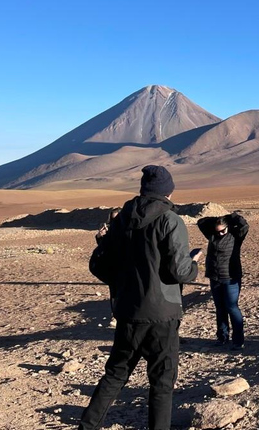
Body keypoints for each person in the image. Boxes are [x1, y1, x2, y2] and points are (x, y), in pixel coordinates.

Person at [80, 165, 202, 430]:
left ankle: (87, 426)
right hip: (162, 314)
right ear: (169, 190)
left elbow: (102, 266)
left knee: (114, 375)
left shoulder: (122, 219)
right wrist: (194, 265)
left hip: (128, 312)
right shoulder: (170, 220)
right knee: (161, 382)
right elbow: (178, 271)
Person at [197, 212, 249, 350]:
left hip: (230, 277)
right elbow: (201, 222)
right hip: (215, 277)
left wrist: (230, 217)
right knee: (220, 308)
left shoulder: (235, 236)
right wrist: (217, 220)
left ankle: (238, 340)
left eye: (223, 231)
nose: (220, 234)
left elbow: (244, 224)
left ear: (228, 227)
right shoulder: (212, 235)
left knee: (232, 307)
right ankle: (222, 337)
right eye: (217, 231)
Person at [95, 208, 120, 328]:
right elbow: (103, 248)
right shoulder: (110, 231)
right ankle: (115, 316)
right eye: (112, 219)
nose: (115, 221)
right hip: (114, 267)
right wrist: (101, 237)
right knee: (115, 293)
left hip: (129, 267)